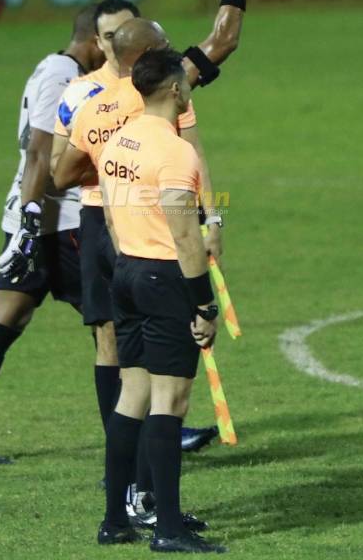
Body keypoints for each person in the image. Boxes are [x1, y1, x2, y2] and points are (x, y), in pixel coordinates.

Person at [47, 0, 252, 462]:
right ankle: (135, 457)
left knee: (143, 352)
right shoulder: (100, 93)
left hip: (136, 220)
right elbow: (59, 176)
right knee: (117, 346)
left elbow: (223, 40)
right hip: (110, 223)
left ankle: (138, 465)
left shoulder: (152, 83)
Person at [0, 5, 104, 465]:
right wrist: (31, 227)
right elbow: (39, 155)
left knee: (9, 318)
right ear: (93, 40)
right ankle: (148, 431)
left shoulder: (57, 68)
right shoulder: (62, 75)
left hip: (37, 220)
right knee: (110, 324)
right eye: (106, 42)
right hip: (60, 223)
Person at [95, 48, 225, 553]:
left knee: (132, 398)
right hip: (163, 276)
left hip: (125, 270)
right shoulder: (175, 152)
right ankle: (167, 529)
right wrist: (204, 304)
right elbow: (184, 234)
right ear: (174, 89)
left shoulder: (118, 142)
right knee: (170, 402)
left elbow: (109, 215)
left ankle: (115, 521)